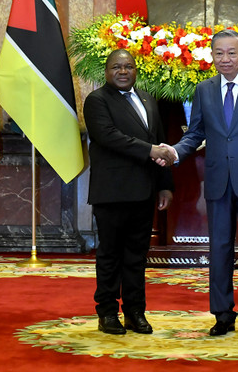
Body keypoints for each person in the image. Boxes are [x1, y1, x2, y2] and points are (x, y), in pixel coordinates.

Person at [162, 29, 238, 337]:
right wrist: (175, 152)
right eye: (219, 53)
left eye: (231, 53)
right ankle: (222, 314)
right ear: (210, 56)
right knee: (219, 248)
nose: (225, 59)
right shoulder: (204, 89)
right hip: (217, 181)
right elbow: (196, 133)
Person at [83, 49, 175, 335]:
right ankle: (107, 312)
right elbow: (109, 136)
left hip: (144, 192)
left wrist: (165, 184)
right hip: (111, 193)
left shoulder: (148, 99)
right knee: (110, 256)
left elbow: (159, 140)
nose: (123, 72)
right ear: (106, 72)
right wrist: (150, 150)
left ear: (136, 70)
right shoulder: (96, 101)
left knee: (137, 256)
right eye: (116, 67)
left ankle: (135, 312)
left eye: (129, 66)